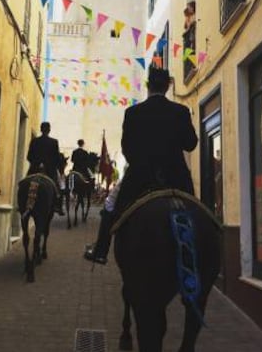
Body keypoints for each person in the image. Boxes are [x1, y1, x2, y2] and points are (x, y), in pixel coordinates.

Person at [84, 66, 198, 264]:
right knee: (196, 211)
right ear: (167, 86)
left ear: (148, 86)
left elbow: (127, 149)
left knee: (111, 204)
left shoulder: (133, 112)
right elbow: (191, 144)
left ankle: (101, 250)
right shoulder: (181, 111)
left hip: (139, 176)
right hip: (176, 176)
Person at [26, 121, 65, 215]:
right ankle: (57, 206)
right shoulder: (54, 142)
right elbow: (56, 158)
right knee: (59, 187)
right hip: (49, 171)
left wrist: (37, 163)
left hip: (34, 170)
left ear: (41, 129)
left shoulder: (34, 141)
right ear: (49, 130)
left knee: (25, 184)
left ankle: (24, 205)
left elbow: (29, 156)